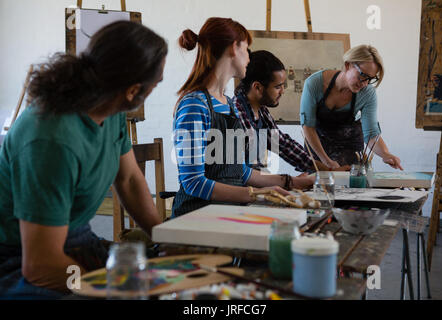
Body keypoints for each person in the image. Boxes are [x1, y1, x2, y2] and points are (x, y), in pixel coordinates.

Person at [0, 21, 167, 298]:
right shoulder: (51, 139)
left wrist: (164, 239)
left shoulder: (110, 107)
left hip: (75, 239)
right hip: (18, 257)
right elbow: (40, 266)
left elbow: (128, 180)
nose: (155, 90)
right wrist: (109, 287)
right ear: (132, 90)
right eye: (155, 84)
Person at [172, 17, 315, 217]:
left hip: (229, 213)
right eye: (246, 49)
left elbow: (239, 171)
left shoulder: (228, 104)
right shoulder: (195, 105)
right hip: (198, 217)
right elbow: (193, 183)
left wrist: (288, 183)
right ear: (233, 48)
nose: (249, 57)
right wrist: (257, 195)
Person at [300, 44, 403, 170]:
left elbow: (371, 133)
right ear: (348, 65)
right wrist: (326, 161)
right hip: (318, 149)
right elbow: (308, 126)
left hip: (349, 151)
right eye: (362, 75)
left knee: (352, 188)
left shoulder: (367, 93)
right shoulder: (314, 83)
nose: (365, 83)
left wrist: (385, 154)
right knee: (316, 187)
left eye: (370, 79)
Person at [233, 50, 338, 173]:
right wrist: (287, 182)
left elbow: (283, 145)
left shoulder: (262, 112)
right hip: (242, 188)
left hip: (257, 183)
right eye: (278, 87)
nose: (282, 91)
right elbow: (245, 172)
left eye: (283, 85)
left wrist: (328, 171)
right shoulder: (236, 111)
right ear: (257, 87)